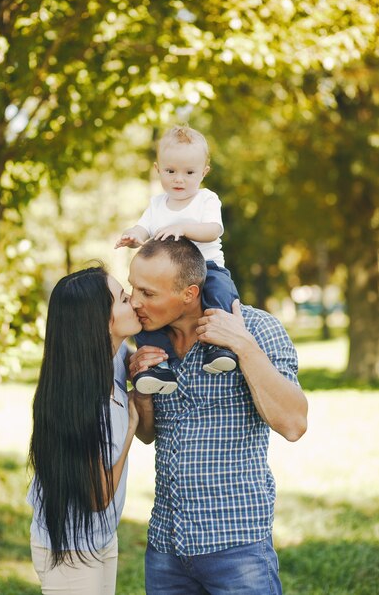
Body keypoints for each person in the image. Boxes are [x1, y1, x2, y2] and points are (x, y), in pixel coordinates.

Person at [128, 237, 308, 595]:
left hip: (237, 547)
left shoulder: (258, 329)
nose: (135, 302)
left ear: (189, 293)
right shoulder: (148, 339)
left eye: (148, 293)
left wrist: (241, 344)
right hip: (166, 546)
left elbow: (293, 423)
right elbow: (149, 435)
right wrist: (141, 391)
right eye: (133, 288)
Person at [27, 265, 141, 595]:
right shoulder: (81, 399)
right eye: (122, 298)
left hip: (101, 536)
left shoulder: (113, 359)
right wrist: (131, 427)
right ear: (99, 322)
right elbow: (97, 496)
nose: (132, 300)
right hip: (70, 550)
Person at [115, 124, 239, 395]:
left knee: (220, 295)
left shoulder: (206, 199)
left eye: (189, 172)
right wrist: (133, 236)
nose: (179, 179)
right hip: (168, 278)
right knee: (145, 315)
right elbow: (143, 227)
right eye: (171, 171)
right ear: (158, 169)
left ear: (203, 172)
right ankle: (159, 365)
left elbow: (213, 230)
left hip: (207, 267)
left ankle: (219, 346)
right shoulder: (157, 204)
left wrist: (183, 227)